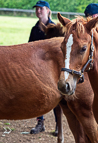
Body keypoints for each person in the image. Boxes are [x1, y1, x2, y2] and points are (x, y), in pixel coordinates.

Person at [28, 0, 58, 136]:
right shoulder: (35, 29)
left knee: (57, 95)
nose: (38, 11)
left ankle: (58, 125)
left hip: (52, 68)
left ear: (48, 10)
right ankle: (40, 123)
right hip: (38, 68)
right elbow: (29, 48)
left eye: (41, 9)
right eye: (37, 9)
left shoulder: (55, 28)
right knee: (37, 95)